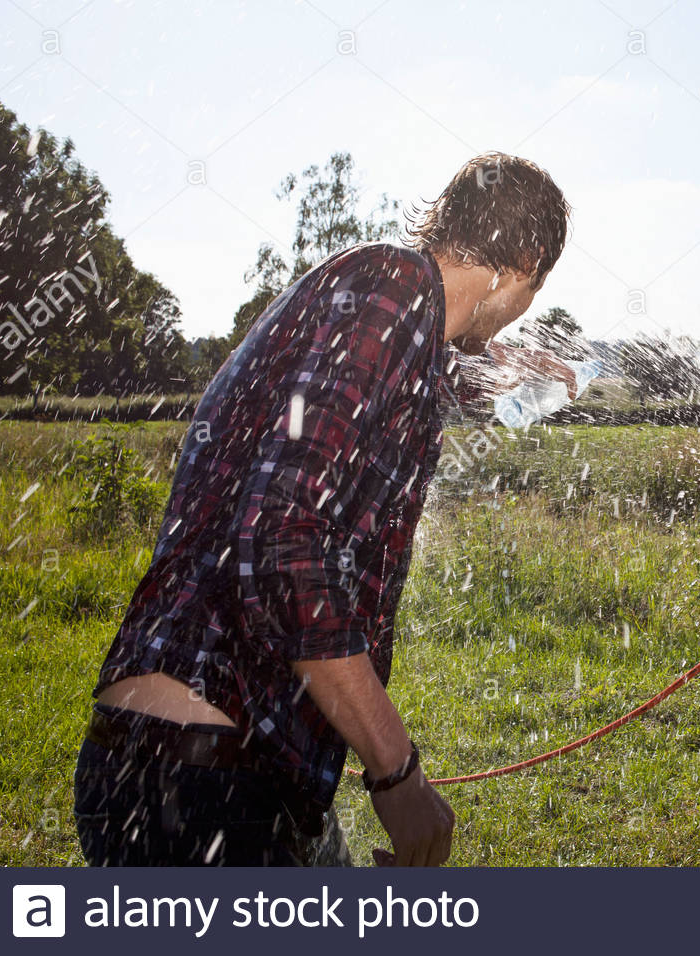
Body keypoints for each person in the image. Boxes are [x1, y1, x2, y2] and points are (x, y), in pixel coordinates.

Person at [73, 153, 576, 866]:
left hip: (206, 766)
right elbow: (281, 536)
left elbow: (428, 387)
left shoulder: (393, 305)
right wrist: (395, 770)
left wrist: (525, 372)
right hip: (204, 778)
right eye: (537, 288)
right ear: (525, 260)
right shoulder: (394, 289)